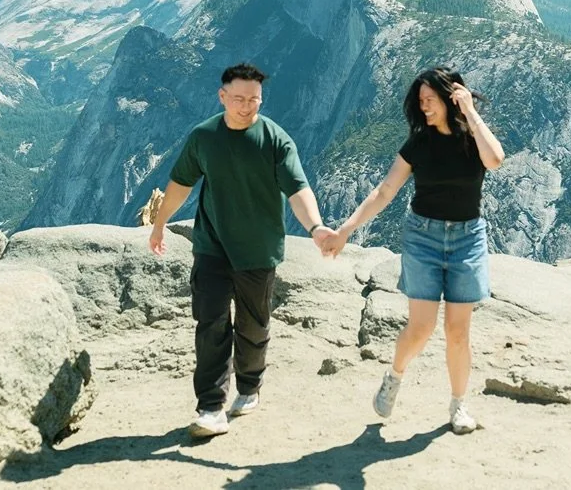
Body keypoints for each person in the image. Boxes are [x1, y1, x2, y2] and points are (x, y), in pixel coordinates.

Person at [147, 62, 336, 439]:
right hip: (212, 247)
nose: (247, 106)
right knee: (211, 324)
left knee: (253, 326)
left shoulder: (275, 140)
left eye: (254, 100)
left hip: (258, 250)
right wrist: (159, 222)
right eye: (238, 99)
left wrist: (315, 227)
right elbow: (181, 183)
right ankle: (211, 406)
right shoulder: (204, 137)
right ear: (222, 97)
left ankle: (249, 386)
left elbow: (298, 189)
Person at [321, 67, 506, 434]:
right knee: (421, 328)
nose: (424, 108)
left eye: (430, 100)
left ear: (451, 98)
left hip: (468, 239)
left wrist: (471, 112)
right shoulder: (419, 143)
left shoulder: (473, 137)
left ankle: (458, 405)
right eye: (420, 102)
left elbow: (495, 159)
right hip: (423, 238)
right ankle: (395, 374)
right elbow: (385, 191)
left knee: (458, 332)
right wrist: (345, 230)